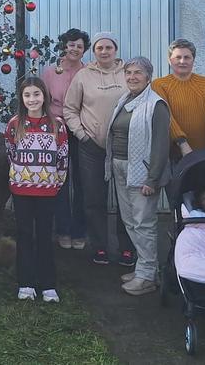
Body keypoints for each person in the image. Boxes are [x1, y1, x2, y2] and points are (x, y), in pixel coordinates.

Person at [62, 31, 135, 267]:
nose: (104, 52)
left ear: (116, 50)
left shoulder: (128, 72)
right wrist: (82, 135)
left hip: (124, 146)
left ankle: (126, 247)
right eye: (99, 48)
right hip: (92, 146)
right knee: (94, 199)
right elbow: (70, 109)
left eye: (108, 47)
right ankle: (100, 246)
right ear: (93, 52)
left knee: (126, 199)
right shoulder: (84, 76)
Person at [106, 57, 171, 296]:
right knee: (130, 221)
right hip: (120, 167)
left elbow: (161, 145)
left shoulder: (156, 105)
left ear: (148, 77)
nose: (132, 77)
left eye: (138, 73)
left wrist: (152, 179)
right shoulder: (125, 100)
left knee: (143, 223)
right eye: (129, 72)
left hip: (142, 172)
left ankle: (147, 277)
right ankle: (144, 267)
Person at [5, 77, 69, 303]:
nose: (32, 99)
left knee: (44, 235)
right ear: (21, 99)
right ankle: (26, 283)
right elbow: (10, 152)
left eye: (36, 94)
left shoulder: (57, 124)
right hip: (21, 190)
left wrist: (56, 182)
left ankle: (48, 284)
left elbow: (63, 157)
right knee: (24, 234)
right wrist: (20, 177)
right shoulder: (15, 124)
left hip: (48, 190)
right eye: (27, 95)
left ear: (44, 96)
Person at [41, 28, 89, 250]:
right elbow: (43, 101)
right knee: (60, 180)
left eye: (79, 46)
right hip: (57, 129)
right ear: (64, 46)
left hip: (81, 129)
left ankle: (79, 230)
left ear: (84, 50)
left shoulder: (88, 72)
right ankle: (62, 230)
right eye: (71, 45)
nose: (75, 49)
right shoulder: (51, 72)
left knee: (81, 181)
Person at [151, 38, 205, 154]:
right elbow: (168, 117)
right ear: (169, 60)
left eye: (187, 57)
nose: (182, 61)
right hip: (173, 152)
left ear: (193, 60)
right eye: (178, 57)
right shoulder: (159, 85)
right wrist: (182, 144)